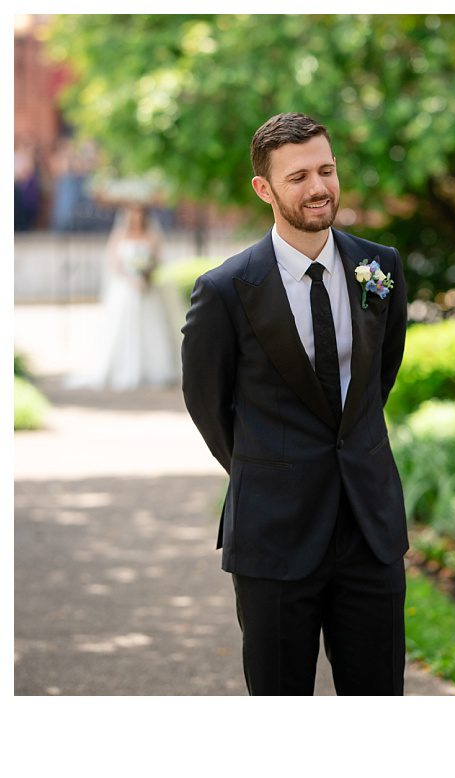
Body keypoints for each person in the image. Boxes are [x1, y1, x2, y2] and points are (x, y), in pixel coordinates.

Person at [180, 112, 411, 695]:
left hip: (369, 527)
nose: (319, 188)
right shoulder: (226, 289)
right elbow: (206, 402)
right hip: (274, 533)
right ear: (264, 188)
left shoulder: (379, 268)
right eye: (299, 176)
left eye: (327, 170)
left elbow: (378, 379)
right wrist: (266, 466)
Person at [67, 204, 180, 391]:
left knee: (151, 328)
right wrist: (130, 277)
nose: (135, 220)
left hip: (147, 289)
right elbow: (114, 264)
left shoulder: (152, 237)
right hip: (125, 289)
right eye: (132, 216)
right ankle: (123, 369)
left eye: (139, 216)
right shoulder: (120, 236)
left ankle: (153, 370)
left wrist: (145, 275)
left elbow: (159, 261)